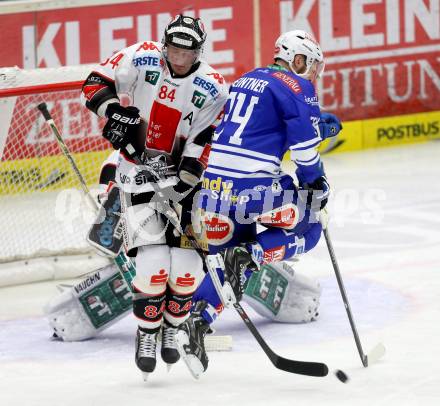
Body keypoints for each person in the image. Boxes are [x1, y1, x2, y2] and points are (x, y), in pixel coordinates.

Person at [175, 30, 342, 378]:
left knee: (231, 269)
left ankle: (195, 324)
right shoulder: (299, 86)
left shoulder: (245, 79)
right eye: (310, 65)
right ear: (297, 59)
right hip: (254, 190)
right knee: (309, 227)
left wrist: (315, 127)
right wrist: (316, 183)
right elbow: (303, 153)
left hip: (214, 190)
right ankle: (251, 254)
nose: (313, 74)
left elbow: (258, 129)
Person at [80, 14, 229, 380]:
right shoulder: (141, 55)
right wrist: (115, 111)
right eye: (174, 49)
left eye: (187, 51)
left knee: (188, 271)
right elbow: (95, 83)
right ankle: (147, 333)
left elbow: (203, 139)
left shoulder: (213, 86)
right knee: (154, 265)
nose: (179, 58)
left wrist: (187, 177)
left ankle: (173, 328)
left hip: (186, 185)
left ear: (199, 51)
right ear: (165, 45)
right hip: (136, 177)